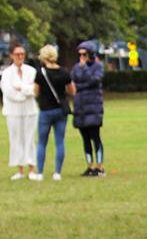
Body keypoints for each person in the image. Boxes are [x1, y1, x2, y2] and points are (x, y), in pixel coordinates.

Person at [32, 45, 75, 182]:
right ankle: (57, 172)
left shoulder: (40, 72)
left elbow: (36, 92)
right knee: (59, 141)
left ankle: (40, 173)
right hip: (60, 110)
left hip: (45, 110)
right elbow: (72, 91)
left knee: (42, 142)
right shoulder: (64, 72)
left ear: (43, 57)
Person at [0, 44, 37, 180]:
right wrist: (24, 92)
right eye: (17, 54)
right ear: (11, 56)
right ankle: (20, 170)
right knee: (16, 140)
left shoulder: (31, 71)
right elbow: (9, 91)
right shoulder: (7, 73)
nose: (20, 56)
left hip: (30, 110)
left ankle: (32, 169)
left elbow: (34, 90)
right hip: (13, 111)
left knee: (30, 139)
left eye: (22, 54)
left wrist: (21, 88)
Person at [70, 40, 104, 177]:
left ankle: (100, 167)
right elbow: (73, 84)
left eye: (84, 54)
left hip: (94, 107)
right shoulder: (76, 68)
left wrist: (84, 69)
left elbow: (94, 81)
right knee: (85, 138)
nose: (81, 57)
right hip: (80, 107)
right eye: (80, 54)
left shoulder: (97, 67)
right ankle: (89, 166)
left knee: (95, 137)